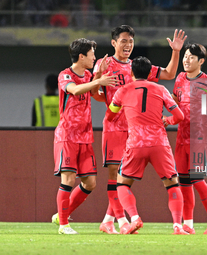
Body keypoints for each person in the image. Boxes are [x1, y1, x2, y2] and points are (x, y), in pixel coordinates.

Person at [92, 25, 187, 234]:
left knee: (123, 181)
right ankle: (121, 221)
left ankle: (112, 220)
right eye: (124, 40)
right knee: (115, 175)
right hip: (117, 127)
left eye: (131, 41)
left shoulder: (137, 65)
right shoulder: (103, 64)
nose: (128, 45)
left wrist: (176, 51)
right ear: (114, 43)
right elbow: (96, 94)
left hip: (136, 132)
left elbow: (170, 73)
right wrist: (98, 76)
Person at [51, 38, 116, 234]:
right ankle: (64, 225)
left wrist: (99, 74)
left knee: (90, 183)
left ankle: (61, 214)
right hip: (67, 135)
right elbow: (75, 90)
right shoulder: (65, 75)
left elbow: (95, 92)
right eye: (92, 54)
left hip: (85, 136)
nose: (94, 57)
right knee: (68, 179)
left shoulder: (89, 75)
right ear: (81, 56)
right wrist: (98, 79)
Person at [171, 43, 207, 235]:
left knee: (197, 179)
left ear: (201, 61)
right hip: (182, 138)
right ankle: (188, 223)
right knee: (184, 182)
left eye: (191, 57)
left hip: (200, 138)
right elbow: (174, 104)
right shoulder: (179, 78)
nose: (186, 60)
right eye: (185, 56)